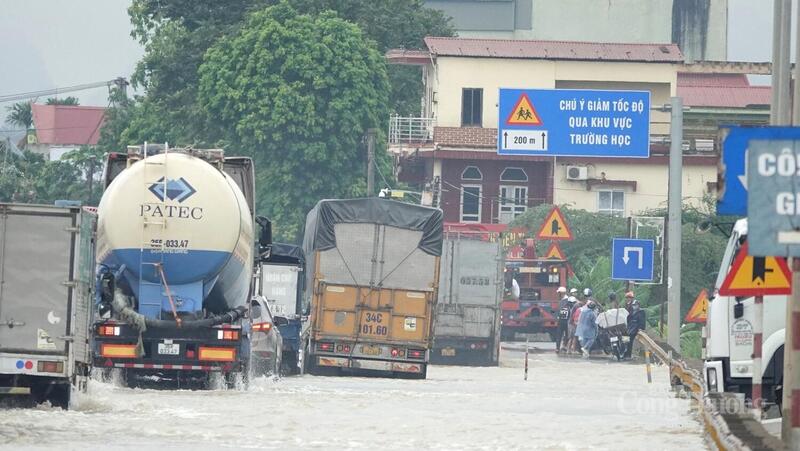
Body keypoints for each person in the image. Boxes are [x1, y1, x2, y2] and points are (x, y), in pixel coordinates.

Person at [555, 286, 572, 353]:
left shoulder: (568, 301)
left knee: (567, 334)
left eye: (559, 293)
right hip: (561, 320)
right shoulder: (561, 301)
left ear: (562, 293)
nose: (558, 294)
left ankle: (564, 346)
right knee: (559, 335)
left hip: (567, 321)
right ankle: (558, 348)